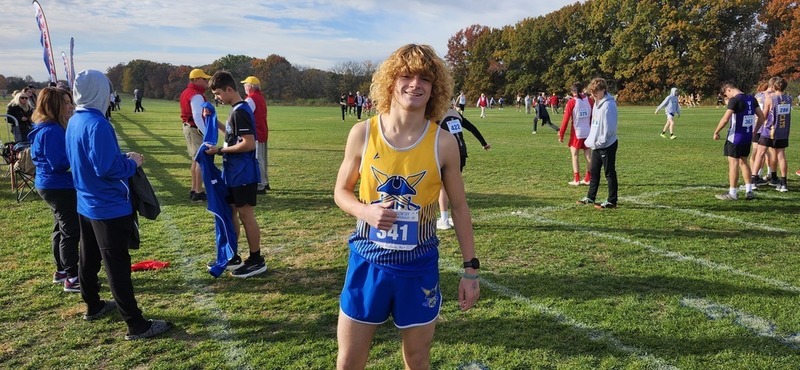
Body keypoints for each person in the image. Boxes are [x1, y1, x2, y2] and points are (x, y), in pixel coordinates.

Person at [332, 44, 480, 370]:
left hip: (418, 267)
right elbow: (341, 192)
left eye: (424, 79)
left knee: (417, 359)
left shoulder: (443, 142)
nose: (415, 84)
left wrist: (470, 270)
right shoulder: (363, 133)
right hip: (367, 262)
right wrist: (365, 211)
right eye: (407, 75)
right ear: (390, 81)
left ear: (435, 88)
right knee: (349, 361)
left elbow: (459, 207)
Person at [65, 69, 172, 340]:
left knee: (88, 258)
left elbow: (88, 159)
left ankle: (93, 305)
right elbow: (106, 168)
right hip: (108, 206)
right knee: (117, 266)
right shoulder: (99, 124)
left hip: (86, 202)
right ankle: (136, 324)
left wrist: (120, 156)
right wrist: (131, 162)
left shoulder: (75, 120)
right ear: (101, 92)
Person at [203, 71, 266, 278]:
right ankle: (232, 255)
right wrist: (216, 122)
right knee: (231, 213)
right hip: (233, 173)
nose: (217, 97)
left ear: (230, 90)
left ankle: (256, 260)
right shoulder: (235, 111)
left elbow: (248, 144)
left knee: (246, 215)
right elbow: (231, 136)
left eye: (219, 93)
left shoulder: (240, 111)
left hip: (243, 174)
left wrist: (219, 151)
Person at [28, 87, 80, 292]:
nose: (71, 106)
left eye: (71, 101)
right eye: (66, 103)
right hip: (59, 186)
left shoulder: (48, 127)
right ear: (54, 105)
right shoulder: (52, 130)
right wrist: (80, 159)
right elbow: (60, 163)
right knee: (70, 231)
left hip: (50, 184)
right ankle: (72, 277)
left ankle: (61, 271)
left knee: (60, 228)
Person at [436, 106, 490, 230]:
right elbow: (472, 128)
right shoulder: (456, 114)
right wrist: (484, 143)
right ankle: (456, 218)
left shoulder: (437, 114)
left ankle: (444, 219)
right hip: (461, 152)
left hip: (447, 152)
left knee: (442, 187)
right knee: (455, 184)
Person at [712, 81, 766, 200]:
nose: (727, 97)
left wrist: (716, 131)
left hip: (735, 137)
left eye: (726, 94)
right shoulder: (752, 98)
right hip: (747, 137)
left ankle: (733, 193)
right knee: (744, 162)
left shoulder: (734, 100)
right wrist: (754, 130)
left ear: (728, 90)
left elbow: (726, 119)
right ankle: (749, 190)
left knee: (733, 164)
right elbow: (761, 117)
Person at [577, 78, 619, 209]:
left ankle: (612, 200)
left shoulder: (609, 105)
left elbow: (609, 128)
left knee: (609, 172)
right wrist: (593, 140)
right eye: (592, 92)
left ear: (603, 90)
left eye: (596, 92)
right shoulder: (596, 102)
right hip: (597, 144)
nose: (593, 95)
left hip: (607, 144)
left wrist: (601, 141)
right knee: (594, 171)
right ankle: (590, 197)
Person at [753, 77, 791, 192]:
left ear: (774, 86)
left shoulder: (770, 99)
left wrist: (755, 129)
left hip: (769, 130)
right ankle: (783, 183)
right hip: (783, 132)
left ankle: (753, 180)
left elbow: (763, 116)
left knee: (760, 153)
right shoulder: (789, 98)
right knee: (781, 156)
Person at [180, 68, 212, 202]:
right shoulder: (196, 95)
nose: (206, 81)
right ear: (197, 80)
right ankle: (198, 191)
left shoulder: (187, 92)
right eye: (204, 79)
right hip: (194, 128)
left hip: (189, 127)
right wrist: (207, 133)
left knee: (195, 159)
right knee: (200, 160)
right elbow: (197, 116)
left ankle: (194, 189)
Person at [559, 82, 593, 186]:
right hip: (588, 132)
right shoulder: (590, 101)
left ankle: (576, 179)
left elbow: (565, 120)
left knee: (574, 155)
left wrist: (561, 134)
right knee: (588, 156)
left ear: (572, 91)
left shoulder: (571, 102)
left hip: (576, 133)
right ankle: (588, 178)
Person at [241, 76, 270, 193]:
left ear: (251, 86)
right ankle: (265, 181)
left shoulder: (250, 99)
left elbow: (245, 115)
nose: (244, 87)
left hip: (256, 133)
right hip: (262, 131)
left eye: (246, 84)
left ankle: (260, 184)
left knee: (257, 159)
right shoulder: (260, 97)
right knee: (263, 158)